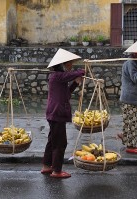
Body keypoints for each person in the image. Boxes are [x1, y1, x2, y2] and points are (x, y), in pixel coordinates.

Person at [41, 48, 84, 178]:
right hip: (56, 113)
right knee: (60, 143)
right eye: (69, 63)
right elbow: (74, 74)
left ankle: (47, 166)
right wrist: (84, 70)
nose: (71, 66)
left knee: (52, 141)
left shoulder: (59, 78)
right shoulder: (57, 76)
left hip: (54, 113)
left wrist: (75, 84)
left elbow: (66, 95)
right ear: (63, 65)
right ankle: (57, 171)